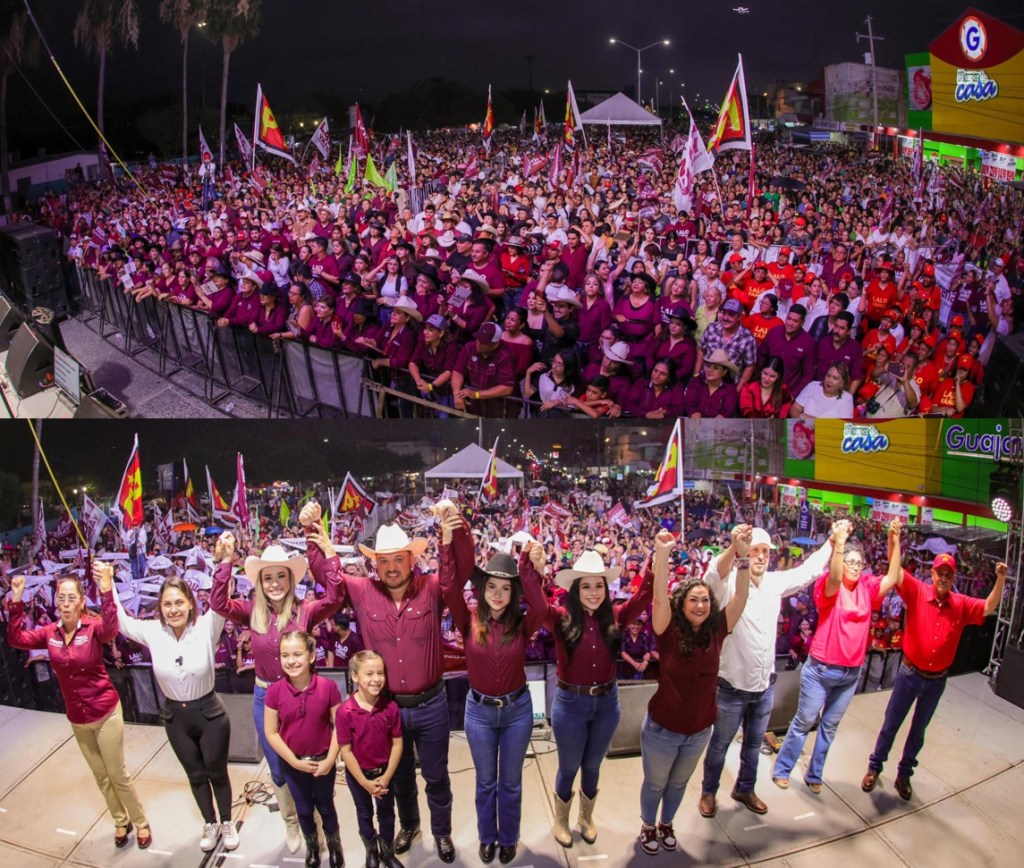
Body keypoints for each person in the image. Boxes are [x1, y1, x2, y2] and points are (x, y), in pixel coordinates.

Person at [305, 516, 456, 863]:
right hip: (388, 708)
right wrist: (320, 544)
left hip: (432, 703)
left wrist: (449, 536)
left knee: (436, 776)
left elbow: (455, 576)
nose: (391, 567)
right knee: (400, 778)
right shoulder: (362, 591)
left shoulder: (432, 587)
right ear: (374, 563)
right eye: (383, 561)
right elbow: (328, 580)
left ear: (411, 559)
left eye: (398, 559)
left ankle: (442, 833)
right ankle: (410, 825)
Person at [210, 517, 343, 854]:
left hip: (305, 696)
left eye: (280, 576)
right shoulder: (251, 612)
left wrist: (328, 555)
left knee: (310, 759)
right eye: (267, 577)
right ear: (259, 582)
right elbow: (219, 604)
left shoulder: (305, 611)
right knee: (280, 768)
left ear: (290, 579)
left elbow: (336, 595)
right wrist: (225, 563)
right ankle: (291, 819)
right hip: (266, 697)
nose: (274, 583)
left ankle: (313, 816)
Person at [698, 523, 839, 818]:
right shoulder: (731, 584)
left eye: (765, 552)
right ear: (745, 554)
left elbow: (808, 571)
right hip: (731, 687)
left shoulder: (775, 583)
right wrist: (733, 549)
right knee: (720, 745)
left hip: (765, 686)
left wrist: (834, 541)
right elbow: (712, 577)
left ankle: (745, 788)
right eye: (755, 551)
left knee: (753, 745)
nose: (761, 557)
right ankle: (708, 792)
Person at [6, 571, 151, 850]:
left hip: (106, 712)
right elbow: (16, 639)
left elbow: (111, 629)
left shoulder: (94, 627)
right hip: (78, 718)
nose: (65, 602)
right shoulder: (50, 633)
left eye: (72, 597)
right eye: (61, 597)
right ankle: (121, 820)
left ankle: (141, 821)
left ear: (82, 601)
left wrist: (107, 590)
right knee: (100, 776)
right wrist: (16, 599)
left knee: (117, 773)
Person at [101, 560, 234, 852]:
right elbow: (121, 622)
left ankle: (227, 821)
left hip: (210, 713)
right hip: (176, 717)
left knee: (217, 773)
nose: (173, 609)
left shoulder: (207, 627)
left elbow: (221, 599)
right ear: (159, 607)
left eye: (178, 602)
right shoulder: (152, 632)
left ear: (190, 604)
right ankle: (210, 822)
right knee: (196, 776)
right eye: (166, 604)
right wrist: (108, 585)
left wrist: (224, 561)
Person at [438, 510, 548, 865]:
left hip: (517, 712)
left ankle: (509, 837)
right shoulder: (466, 620)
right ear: (482, 590)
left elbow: (542, 605)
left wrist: (529, 565)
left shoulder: (523, 623)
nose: (498, 594)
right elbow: (448, 586)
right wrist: (446, 542)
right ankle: (488, 837)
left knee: (511, 783)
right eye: (491, 586)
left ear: (512, 591)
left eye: (505, 587)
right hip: (479, 714)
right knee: (486, 782)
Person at [637, 528, 751, 855]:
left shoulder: (716, 630)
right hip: (662, 730)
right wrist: (662, 553)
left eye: (705, 600)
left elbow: (740, 598)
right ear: (681, 604)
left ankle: (666, 823)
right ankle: (647, 825)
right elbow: (659, 596)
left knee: (677, 784)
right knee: (656, 784)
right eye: (693, 599)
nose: (700, 605)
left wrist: (742, 557)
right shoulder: (667, 628)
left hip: (699, 731)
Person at [772, 519, 903, 792]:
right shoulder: (827, 587)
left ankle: (814, 775)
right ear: (841, 563)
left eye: (859, 563)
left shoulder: (867, 588)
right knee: (805, 721)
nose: (854, 567)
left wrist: (895, 541)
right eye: (849, 562)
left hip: (850, 673)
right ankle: (783, 768)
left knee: (829, 727)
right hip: (820, 670)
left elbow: (892, 577)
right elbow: (833, 578)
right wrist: (839, 544)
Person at [862, 558, 1008, 801]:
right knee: (891, 723)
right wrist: (894, 540)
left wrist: (1001, 578)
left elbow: (988, 606)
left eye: (948, 574)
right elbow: (895, 571)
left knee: (918, 731)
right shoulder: (918, 591)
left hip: (935, 681)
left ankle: (904, 775)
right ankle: (874, 768)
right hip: (909, 674)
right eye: (939, 572)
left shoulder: (960, 604)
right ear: (932, 573)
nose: (943, 577)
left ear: (953, 578)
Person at [544, 546, 653, 848]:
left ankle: (585, 818)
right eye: (586, 586)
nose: (593, 592)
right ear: (576, 589)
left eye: (599, 586)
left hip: (607, 704)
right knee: (568, 766)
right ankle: (561, 819)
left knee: (592, 766)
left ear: (607, 589)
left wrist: (657, 557)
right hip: (570, 704)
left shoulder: (617, 616)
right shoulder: (560, 618)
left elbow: (644, 595)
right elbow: (535, 601)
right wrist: (530, 563)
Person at [265, 631, 344, 868]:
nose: (291, 661)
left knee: (326, 806)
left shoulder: (328, 687)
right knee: (304, 809)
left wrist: (331, 759)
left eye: (297, 654)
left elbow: (339, 726)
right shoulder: (275, 691)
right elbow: (271, 732)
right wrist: (294, 761)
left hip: (323, 763)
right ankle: (312, 847)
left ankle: (334, 845)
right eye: (285, 655)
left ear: (311, 656)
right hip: (294, 764)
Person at [337, 650, 404, 868]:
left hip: (385, 774)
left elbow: (397, 744)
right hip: (359, 777)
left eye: (380, 673)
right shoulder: (345, 711)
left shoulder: (390, 708)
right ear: (355, 676)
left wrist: (386, 777)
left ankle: (387, 851)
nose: (376, 679)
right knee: (364, 813)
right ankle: (371, 850)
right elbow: (346, 751)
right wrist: (365, 783)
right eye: (369, 674)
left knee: (386, 814)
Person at [791, 362, 855, 419]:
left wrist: (814, 422)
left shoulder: (847, 398)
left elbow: (843, 426)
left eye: (835, 378)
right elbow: (795, 408)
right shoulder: (813, 386)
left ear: (842, 383)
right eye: (828, 376)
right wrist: (801, 420)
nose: (829, 380)